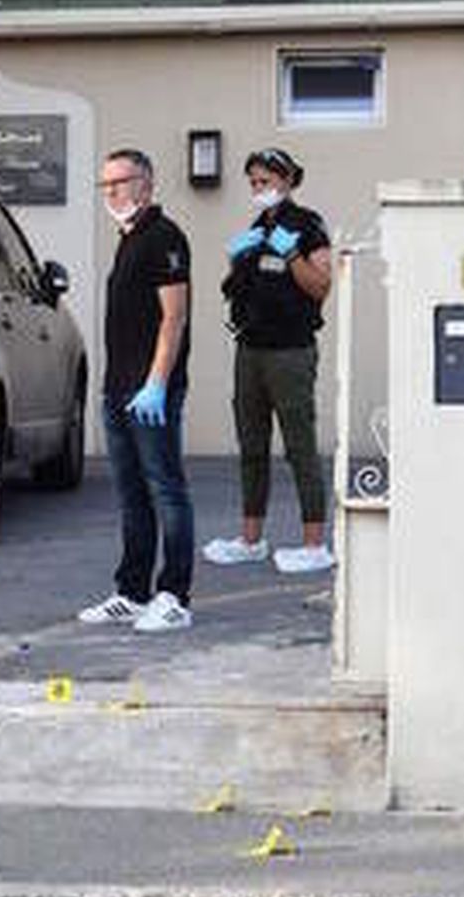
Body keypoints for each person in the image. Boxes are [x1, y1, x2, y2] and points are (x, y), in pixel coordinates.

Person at [76, 148, 196, 633]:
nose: (112, 193)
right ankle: (132, 591)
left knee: (167, 490)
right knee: (131, 497)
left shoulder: (165, 238)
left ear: (146, 184)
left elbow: (174, 317)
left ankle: (173, 596)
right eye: (105, 185)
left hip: (152, 392)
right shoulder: (128, 239)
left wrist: (157, 384)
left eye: (121, 183)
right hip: (118, 389)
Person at [206, 147, 336, 574]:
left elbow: (320, 287)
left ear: (287, 181)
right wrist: (236, 259)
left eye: (265, 181)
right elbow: (240, 285)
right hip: (251, 348)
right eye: (254, 183)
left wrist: (292, 254)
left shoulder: (307, 225)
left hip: (290, 351)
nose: (258, 189)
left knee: (299, 445)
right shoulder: (256, 226)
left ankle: (314, 543)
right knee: (252, 446)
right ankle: (251, 539)